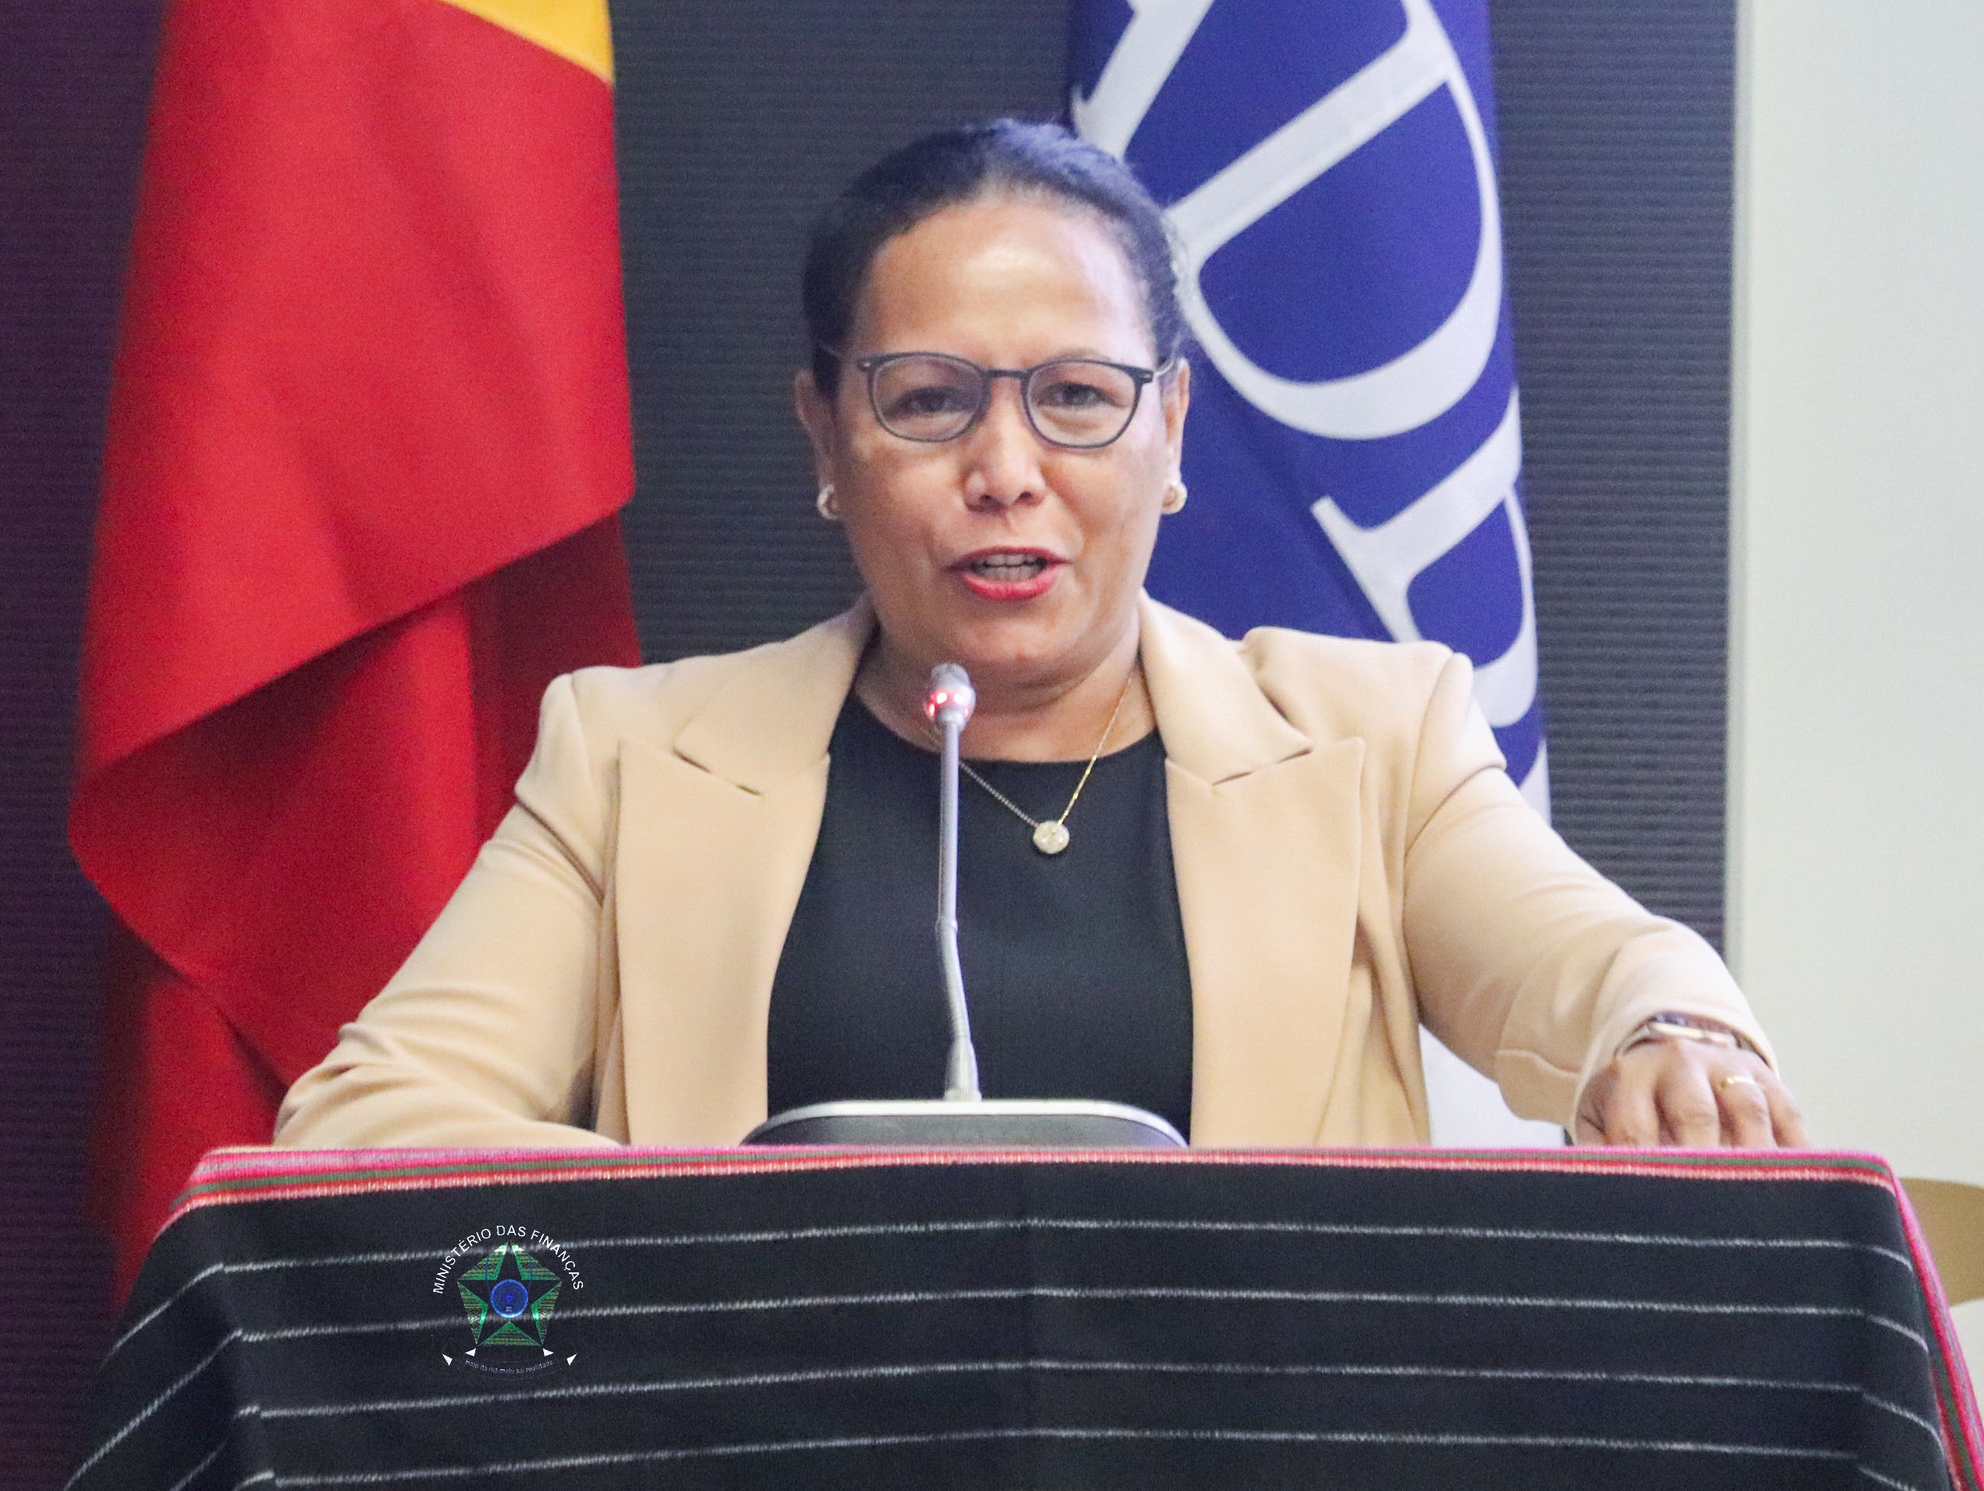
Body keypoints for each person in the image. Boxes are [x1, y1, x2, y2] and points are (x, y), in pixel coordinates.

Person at [277, 120, 1805, 1153]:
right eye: (929, 401)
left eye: (1077, 397)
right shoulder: (630, 758)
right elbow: (366, 1123)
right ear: (827, 436)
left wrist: (1672, 1034)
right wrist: (706, 1255)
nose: (1006, 469)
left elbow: (1605, 965)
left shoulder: (1374, 741)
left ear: (1171, 428)